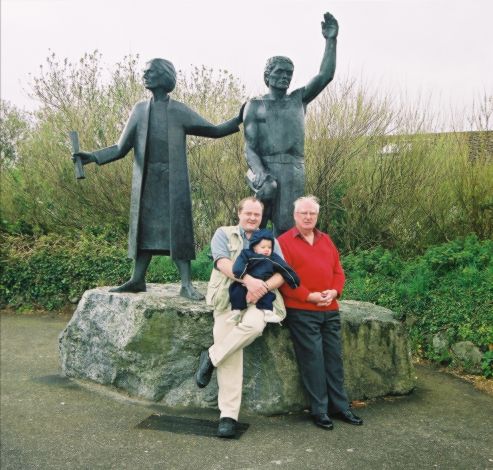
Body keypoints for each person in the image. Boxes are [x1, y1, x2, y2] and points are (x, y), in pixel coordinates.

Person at [74, 58, 242, 300]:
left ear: (164, 77)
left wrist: (239, 119)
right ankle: (137, 279)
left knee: (179, 230)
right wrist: (92, 156)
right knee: (144, 230)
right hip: (146, 182)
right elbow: (121, 147)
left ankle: (186, 284)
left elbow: (213, 130)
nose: (145, 75)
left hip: (174, 182)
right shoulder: (140, 110)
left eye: (150, 72)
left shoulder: (179, 110)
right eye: (144, 72)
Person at [195, 197, 286, 438]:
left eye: (257, 214)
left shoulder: (270, 240)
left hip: (260, 301)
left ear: (261, 217)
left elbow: (282, 274)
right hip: (228, 299)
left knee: (255, 326)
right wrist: (248, 281)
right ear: (239, 213)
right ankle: (228, 416)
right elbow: (223, 263)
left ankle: (211, 356)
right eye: (249, 213)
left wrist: (262, 288)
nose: (253, 218)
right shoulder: (223, 234)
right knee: (232, 355)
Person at [243, 12, 339, 236]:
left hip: (294, 168)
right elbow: (249, 147)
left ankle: (282, 267)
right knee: (261, 206)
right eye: (279, 72)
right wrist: (261, 173)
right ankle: (248, 253)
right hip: (265, 166)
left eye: (289, 73)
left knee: (286, 228)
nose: (285, 77)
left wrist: (331, 40)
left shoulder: (298, 99)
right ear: (267, 75)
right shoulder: (255, 105)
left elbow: (325, 75)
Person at [277, 195, 363, 430]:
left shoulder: (326, 240)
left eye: (312, 213)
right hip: (302, 310)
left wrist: (334, 292)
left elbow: (338, 271)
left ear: (317, 216)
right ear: (295, 216)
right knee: (313, 360)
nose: (307, 217)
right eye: (303, 213)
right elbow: (284, 279)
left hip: (330, 309)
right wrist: (309, 296)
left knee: (334, 359)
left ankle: (340, 407)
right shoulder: (284, 242)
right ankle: (320, 410)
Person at [228, 228, 299, 324]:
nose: (267, 250)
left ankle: (268, 313)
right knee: (235, 290)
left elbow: (285, 268)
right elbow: (239, 264)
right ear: (254, 247)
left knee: (268, 296)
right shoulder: (247, 254)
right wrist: (241, 274)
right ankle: (236, 312)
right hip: (245, 283)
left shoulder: (273, 258)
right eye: (263, 247)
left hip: (263, 283)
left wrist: (294, 281)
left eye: (269, 247)